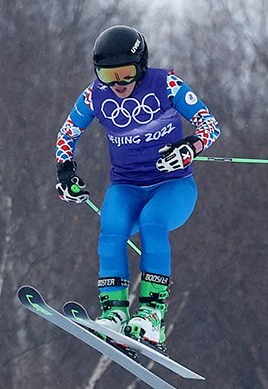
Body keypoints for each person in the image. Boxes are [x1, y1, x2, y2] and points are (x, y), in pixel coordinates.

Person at [54, 25, 220, 348]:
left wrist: (190, 147)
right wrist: (65, 173)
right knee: (111, 227)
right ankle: (114, 312)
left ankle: (151, 315)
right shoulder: (95, 96)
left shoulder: (166, 84)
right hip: (127, 185)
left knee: (151, 222)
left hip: (174, 186)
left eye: (126, 74)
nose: (118, 84)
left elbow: (209, 125)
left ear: (140, 66)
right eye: (108, 75)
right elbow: (66, 135)